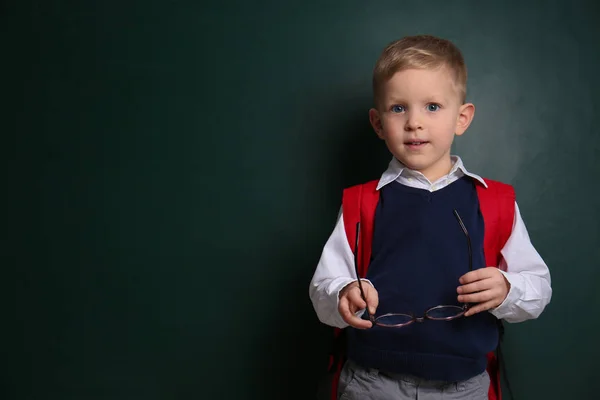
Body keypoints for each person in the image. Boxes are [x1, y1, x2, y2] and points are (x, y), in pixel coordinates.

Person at [309, 35, 552, 400]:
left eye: (433, 106)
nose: (415, 123)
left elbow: (538, 287)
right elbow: (323, 289)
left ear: (462, 118)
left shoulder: (495, 201)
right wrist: (343, 292)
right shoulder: (361, 202)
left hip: (464, 387)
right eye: (398, 109)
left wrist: (507, 289)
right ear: (378, 124)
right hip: (372, 384)